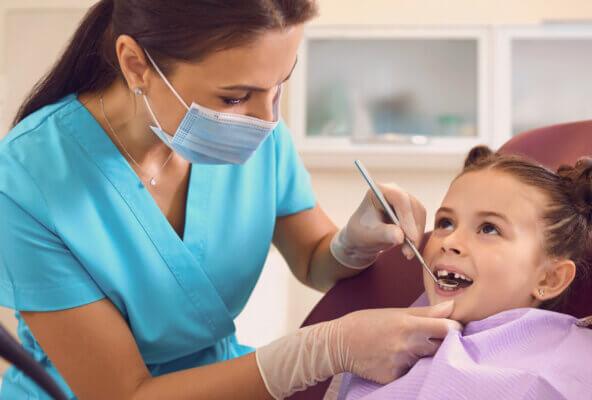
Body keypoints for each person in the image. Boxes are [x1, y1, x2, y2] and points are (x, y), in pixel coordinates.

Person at [0, 1, 461, 399]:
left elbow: (313, 259)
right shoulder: (27, 180)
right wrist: (322, 350)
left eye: (279, 85)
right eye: (236, 96)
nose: (266, 119)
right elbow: (126, 393)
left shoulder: (257, 131)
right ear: (136, 64)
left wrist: (352, 244)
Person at [333, 146, 592, 399]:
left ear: (550, 278)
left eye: (489, 229)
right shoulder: (381, 344)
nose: (449, 242)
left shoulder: (564, 373)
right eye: (446, 223)